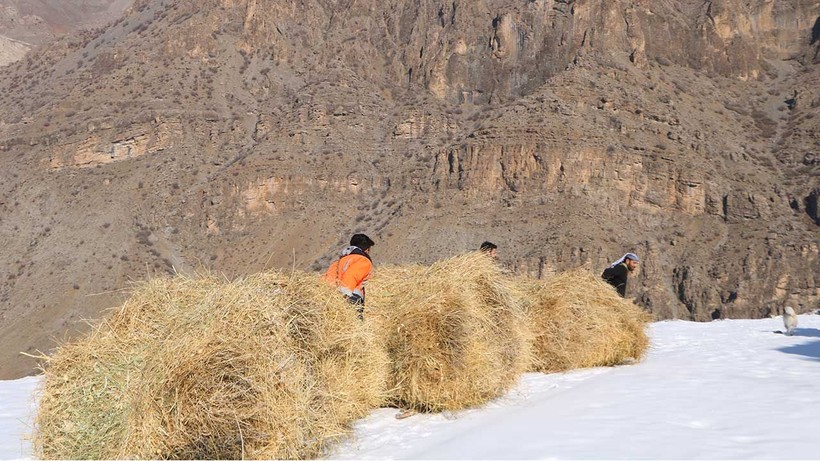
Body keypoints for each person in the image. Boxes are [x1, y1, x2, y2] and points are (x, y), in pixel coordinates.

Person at [324, 233, 375, 317]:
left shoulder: (338, 262)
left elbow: (326, 279)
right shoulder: (363, 260)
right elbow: (351, 275)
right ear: (367, 249)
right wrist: (346, 298)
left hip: (332, 300)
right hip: (351, 299)